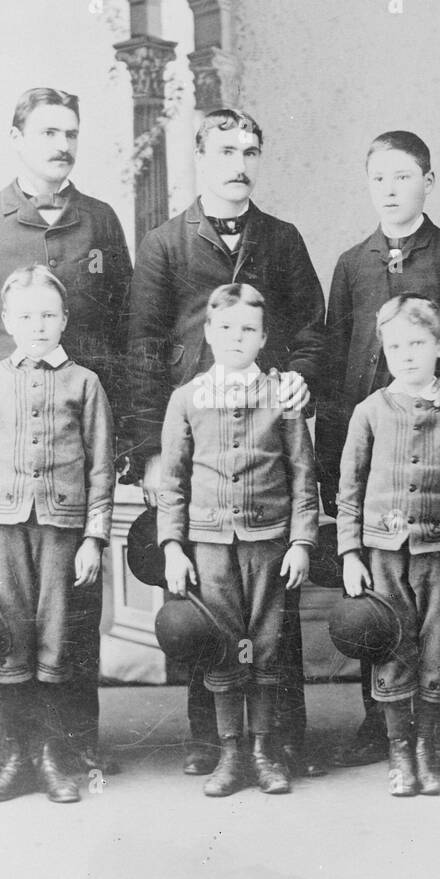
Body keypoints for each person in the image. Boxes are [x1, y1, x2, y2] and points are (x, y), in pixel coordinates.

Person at [0, 87, 132, 773]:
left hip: (79, 440)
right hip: (5, 440)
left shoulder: (101, 220)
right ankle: (20, 754)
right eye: (47, 131)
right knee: (15, 615)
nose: (62, 144)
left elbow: (126, 330)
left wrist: (124, 437)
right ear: (16, 136)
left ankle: (73, 754)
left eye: (72, 132)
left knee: (73, 612)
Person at [124, 108, 327, 777]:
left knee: (271, 601)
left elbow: (314, 332)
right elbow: (145, 350)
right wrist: (153, 450)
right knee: (202, 598)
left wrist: (298, 378)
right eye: (225, 151)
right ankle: (208, 740)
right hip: (196, 441)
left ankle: (281, 737)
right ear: (200, 159)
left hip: (264, 437)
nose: (239, 164)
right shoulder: (164, 244)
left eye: (251, 151)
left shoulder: (283, 238)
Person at [317, 130, 440, 763]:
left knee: (435, 603)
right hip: (370, 455)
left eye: (403, 177)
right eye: (379, 179)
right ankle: (382, 725)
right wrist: (334, 454)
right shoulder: (352, 262)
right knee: (379, 594)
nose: (391, 190)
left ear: (429, 180)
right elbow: (334, 361)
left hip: (434, 460)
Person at [0, 266, 116, 804]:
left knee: (55, 637)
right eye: (26, 316)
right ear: (6, 321)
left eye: (49, 314)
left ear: (65, 319)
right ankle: (15, 758)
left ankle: (52, 758)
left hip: (62, 529)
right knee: (11, 636)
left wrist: (94, 536)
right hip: (1, 528)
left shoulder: (85, 383)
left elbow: (100, 468)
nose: (38, 325)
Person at [158, 284, 319, 797]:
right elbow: (174, 482)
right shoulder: (186, 398)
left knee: (266, 645)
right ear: (207, 333)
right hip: (209, 545)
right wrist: (173, 547)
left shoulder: (282, 397)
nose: (236, 338)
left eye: (248, 329)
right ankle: (229, 752)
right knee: (226, 646)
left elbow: (303, 477)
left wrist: (301, 542)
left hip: (268, 542)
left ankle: (264, 751)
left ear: (264, 337)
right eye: (225, 328)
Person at [336, 295, 440, 796]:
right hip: (382, 554)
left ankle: (428, 749)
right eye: (396, 344)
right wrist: (350, 554)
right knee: (392, 646)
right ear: (383, 347)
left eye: (418, 343)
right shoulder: (370, 411)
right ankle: (399, 750)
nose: (406, 354)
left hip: (439, 555)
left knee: (436, 649)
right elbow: (349, 491)